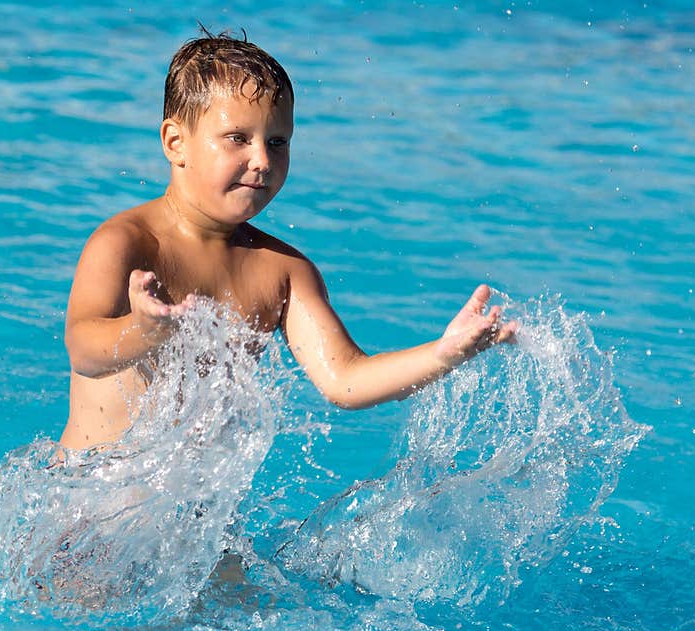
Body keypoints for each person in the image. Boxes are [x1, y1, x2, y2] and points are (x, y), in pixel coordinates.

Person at [58, 29, 516, 451]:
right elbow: (83, 349)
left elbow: (345, 379)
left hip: (189, 520)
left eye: (278, 142)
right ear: (176, 143)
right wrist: (144, 330)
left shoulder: (284, 272)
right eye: (237, 138)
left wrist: (443, 353)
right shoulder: (125, 242)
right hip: (90, 503)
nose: (261, 160)